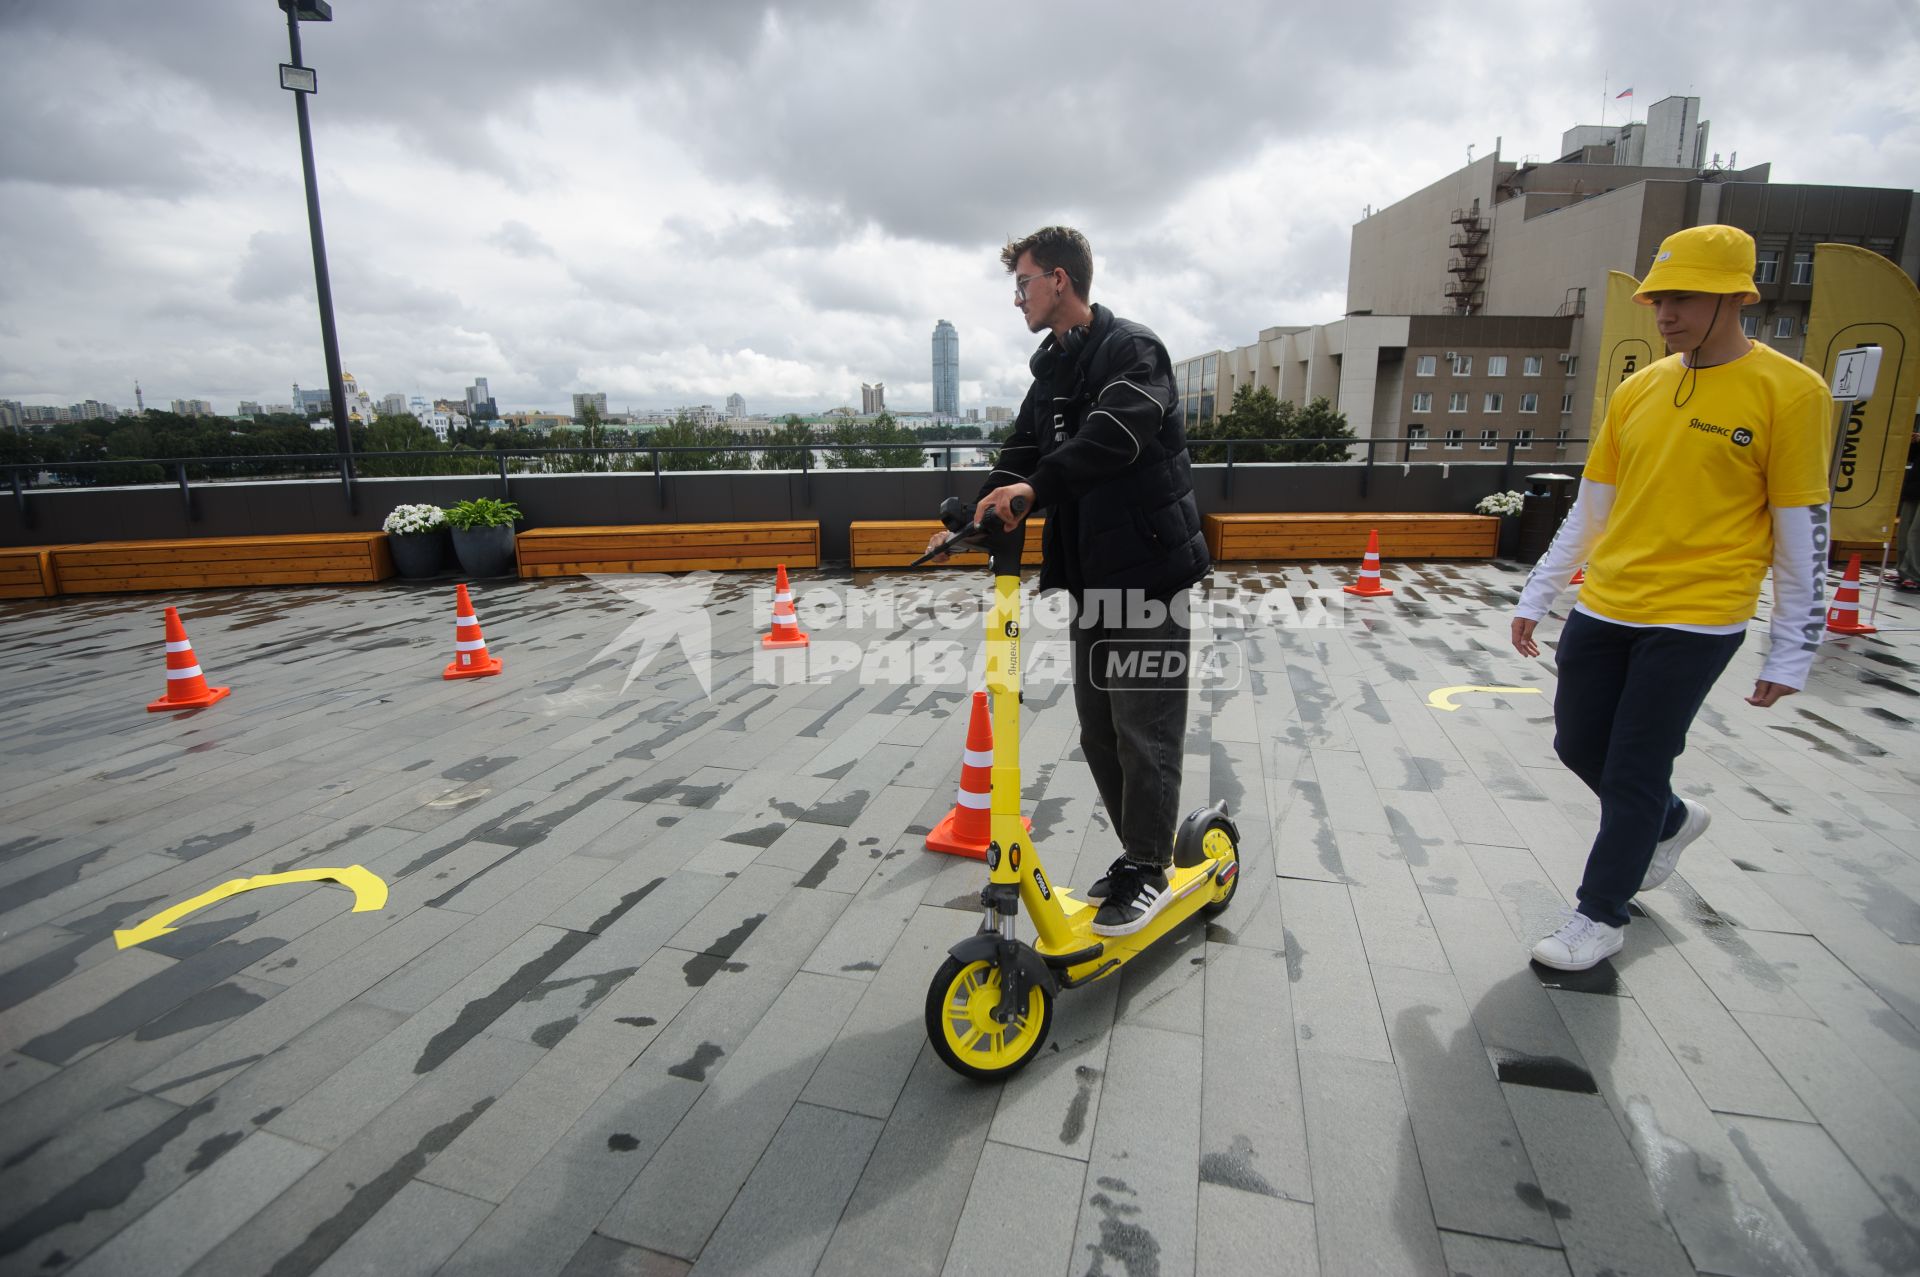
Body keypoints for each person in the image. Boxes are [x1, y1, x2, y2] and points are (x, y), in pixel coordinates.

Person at [1511, 224, 1830, 972]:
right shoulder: (1638, 387)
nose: (1663, 314)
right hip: (1607, 604)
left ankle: (1599, 914)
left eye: (1681, 297)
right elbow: (1591, 508)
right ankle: (1673, 820)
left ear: (1734, 296)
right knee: (1577, 743)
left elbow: (1802, 532)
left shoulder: (1792, 392)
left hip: (1698, 617)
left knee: (1633, 767)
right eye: (1658, 299)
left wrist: (1794, 646)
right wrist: (1539, 593)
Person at [929, 226, 1209, 936]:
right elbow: (1020, 455)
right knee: (1099, 732)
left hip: (1149, 574)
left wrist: (1034, 490)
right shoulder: (1050, 371)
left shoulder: (1132, 351)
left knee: (1144, 729)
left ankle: (1147, 866)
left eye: (1022, 283)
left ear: (1060, 279)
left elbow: (1115, 434)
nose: (1016, 297)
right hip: (1092, 575)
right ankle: (1140, 854)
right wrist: (971, 518)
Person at [1890, 429, 1920, 592]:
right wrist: (1913, 443)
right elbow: (1911, 457)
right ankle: (1903, 570)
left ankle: (1914, 574)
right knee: (1904, 530)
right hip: (1914, 487)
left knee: (1916, 533)